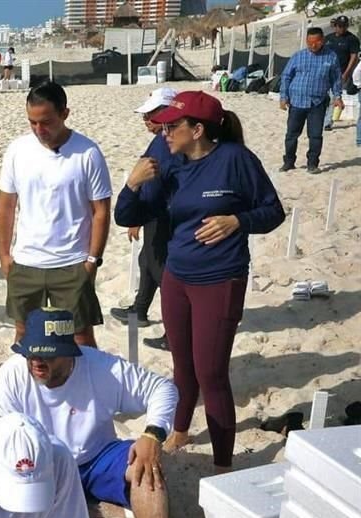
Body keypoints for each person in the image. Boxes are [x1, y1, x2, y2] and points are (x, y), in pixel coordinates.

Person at [115, 91, 285, 471]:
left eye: (171, 127)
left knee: (211, 372)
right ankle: (180, 430)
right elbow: (127, 216)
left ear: (197, 129)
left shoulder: (235, 160)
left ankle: (223, 464)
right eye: (162, 127)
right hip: (177, 278)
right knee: (182, 365)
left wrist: (238, 221)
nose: (163, 134)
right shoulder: (171, 166)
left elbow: (273, 210)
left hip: (221, 278)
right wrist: (132, 183)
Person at [0, 308, 178, 518]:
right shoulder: (11, 376)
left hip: (97, 455)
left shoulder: (100, 367)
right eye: (31, 354)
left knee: (148, 468)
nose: (37, 362)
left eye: (48, 355)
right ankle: (91, 509)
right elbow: (3, 440)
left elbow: (162, 388)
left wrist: (153, 434)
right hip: (43, 465)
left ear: (71, 353)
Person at [0, 81, 112, 348]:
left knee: (80, 338)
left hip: (72, 262)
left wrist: (92, 260)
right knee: (24, 336)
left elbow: (101, 212)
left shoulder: (88, 153)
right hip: (26, 261)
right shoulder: (17, 150)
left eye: (46, 122)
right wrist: (4, 255)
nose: (39, 130)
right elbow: (6, 206)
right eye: (32, 122)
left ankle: (85, 390)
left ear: (64, 114)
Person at [109, 87, 178, 352]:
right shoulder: (161, 137)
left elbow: (162, 180)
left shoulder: (170, 140)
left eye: (152, 113)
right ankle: (139, 311)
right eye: (145, 114)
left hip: (163, 213)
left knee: (161, 269)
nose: (145, 119)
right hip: (151, 211)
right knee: (146, 261)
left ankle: (175, 333)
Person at [278, 28, 343, 174]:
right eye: (309, 42)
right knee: (291, 135)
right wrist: (283, 97)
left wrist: (338, 97)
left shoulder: (331, 57)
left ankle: (312, 164)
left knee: (315, 136)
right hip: (297, 102)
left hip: (317, 103)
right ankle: (289, 162)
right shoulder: (298, 56)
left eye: (316, 42)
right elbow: (286, 76)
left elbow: (336, 79)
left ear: (322, 40)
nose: (313, 45)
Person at [323, 15, 359, 130]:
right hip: (325, 72)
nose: (342, 28)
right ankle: (321, 119)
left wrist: (346, 73)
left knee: (335, 96)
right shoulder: (328, 38)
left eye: (344, 26)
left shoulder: (352, 39)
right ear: (335, 26)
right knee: (324, 97)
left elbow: (354, 57)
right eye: (340, 26)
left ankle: (328, 122)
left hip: (341, 72)